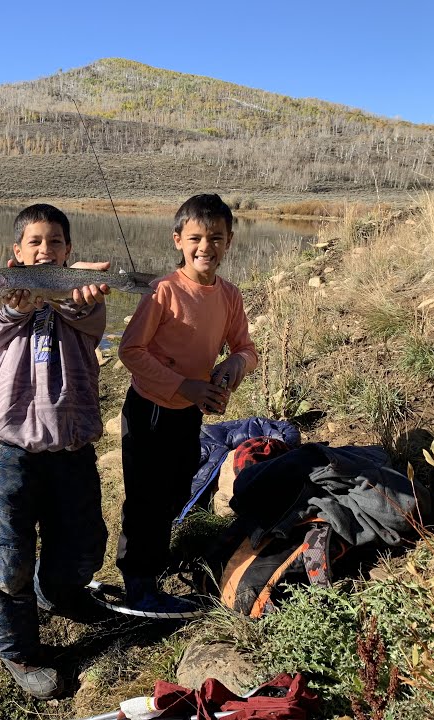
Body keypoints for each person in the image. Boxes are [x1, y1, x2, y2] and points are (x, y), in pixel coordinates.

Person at [0, 203, 113, 699]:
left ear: (68, 252)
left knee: (80, 544)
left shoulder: (84, 299)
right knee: (7, 556)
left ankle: (59, 595)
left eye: (54, 242)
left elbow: (86, 316)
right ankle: (17, 650)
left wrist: (72, 290)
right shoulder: (2, 298)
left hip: (71, 442)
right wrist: (25, 297)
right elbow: (2, 314)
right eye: (34, 242)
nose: (44, 248)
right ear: (17, 254)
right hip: (9, 446)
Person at [116, 193, 259, 614]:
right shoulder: (163, 291)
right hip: (149, 411)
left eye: (216, 238)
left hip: (188, 413)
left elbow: (247, 348)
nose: (205, 247)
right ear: (178, 240)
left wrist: (235, 363)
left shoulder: (229, 296)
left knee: (177, 489)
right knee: (145, 499)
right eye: (196, 237)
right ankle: (137, 580)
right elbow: (131, 351)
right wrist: (185, 385)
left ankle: (154, 562)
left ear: (229, 241)